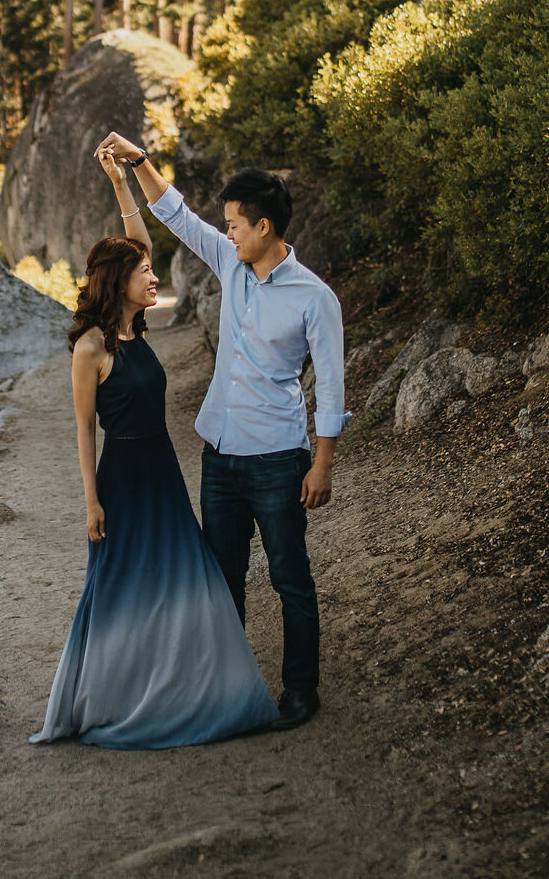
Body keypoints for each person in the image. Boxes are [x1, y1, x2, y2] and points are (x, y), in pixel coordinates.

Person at [94, 133, 346, 732]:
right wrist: (138, 163)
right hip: (221, 456)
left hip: (280, 459)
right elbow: (175, 214)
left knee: (290, 578)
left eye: (234, 224)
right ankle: (225, 689)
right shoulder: (232, 267)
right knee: (221, 580)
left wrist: (322, 463)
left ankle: (301, 690)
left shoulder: (315, 298)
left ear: (263, 227)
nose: (226, 232)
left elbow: (332, 388)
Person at [30, 150, 278, 750]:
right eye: (144, 273)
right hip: (123, 480)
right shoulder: (90, 347)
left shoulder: (134, 329)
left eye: (152, 270)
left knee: (186, 577)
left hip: (163, 473)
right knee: (118, 586)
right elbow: (85, 430)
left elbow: (138, 236)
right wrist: (91, 502)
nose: (154, 277)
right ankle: (104, 699)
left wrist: (121, 182)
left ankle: (195, 688)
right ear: (121, 282)